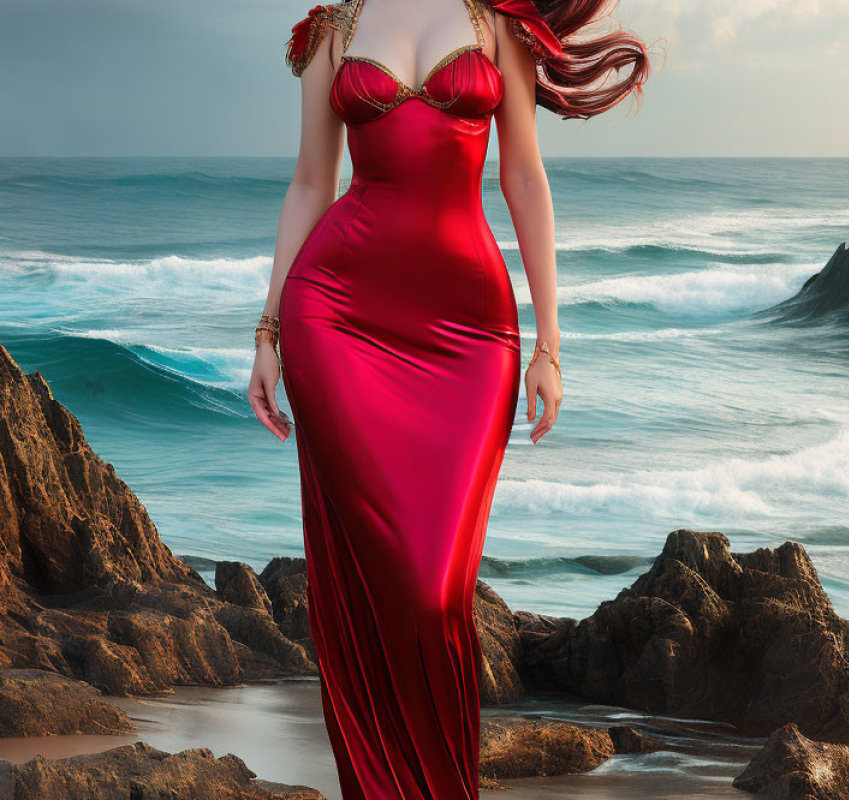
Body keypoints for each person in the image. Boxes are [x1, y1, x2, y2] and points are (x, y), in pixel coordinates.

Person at [247, 0, 648, 796]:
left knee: (435, 588)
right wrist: (267, 332)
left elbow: (524, 178)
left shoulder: (498, 25)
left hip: (468, 330)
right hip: (336, 313)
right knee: (378, 571)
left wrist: (550, 346)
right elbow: (310, 183)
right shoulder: (331, 31)